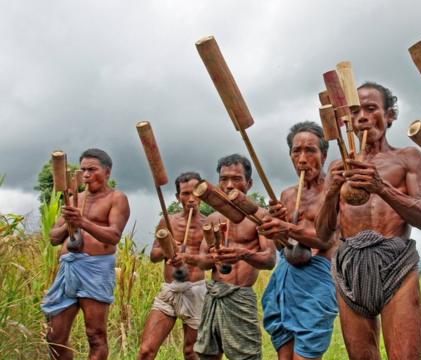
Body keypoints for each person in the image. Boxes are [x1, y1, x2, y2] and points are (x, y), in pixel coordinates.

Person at [315, 82, 421, 360]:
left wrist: (381, 187)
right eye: (355, 112)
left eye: (371, 109)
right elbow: (322, 235)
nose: (363, 117)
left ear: (390, 115)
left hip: (396, 264)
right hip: (350, 265)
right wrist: (332, 191)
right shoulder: (337, 168)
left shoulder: (407, 158)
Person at [258, 121, 339, 359]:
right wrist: (275, 231)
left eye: (310, 151)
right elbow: (282, 246)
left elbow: (325, 240)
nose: (302, 159)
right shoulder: (287, 195)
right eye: (296, 151)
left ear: (323, 155)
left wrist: (285, 227)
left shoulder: (333, 191)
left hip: (316, 281)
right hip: (286, 277)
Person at [43, 148, 130, 360]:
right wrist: (69, 224)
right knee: (54, 336)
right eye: (83, 170)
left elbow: (114, 235)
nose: (87, 175)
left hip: (96, 269)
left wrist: (83, 222)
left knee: (95, 335)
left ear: (107, 172)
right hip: (68, 268)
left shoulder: (116, 198)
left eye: (92, 169)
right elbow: (54, 238)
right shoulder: (74, 199)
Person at [194, 154, 276, 360]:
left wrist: (243, 254)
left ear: (248, 183)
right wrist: (215, 255)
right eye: (224, 179)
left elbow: (269, 260)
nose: (229, 185)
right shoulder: (212, 219)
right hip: (213, 293)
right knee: (207, 354)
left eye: (236, 179)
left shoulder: (260, 217)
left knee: (246, 356)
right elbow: (202, 262)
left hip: (240, 296)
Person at [138, 172, 212, 360]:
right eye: (185, 194)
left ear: (201, 194)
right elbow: (154, 256)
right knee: (146, 351)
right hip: (170, 291)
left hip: (196, 291)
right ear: (178, 197)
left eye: (195, 193)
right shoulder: (168, 222)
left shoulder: (209, 223)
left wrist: (188, 256)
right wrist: (169, 249)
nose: (190, 199)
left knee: (191, 352)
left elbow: (210, 261)